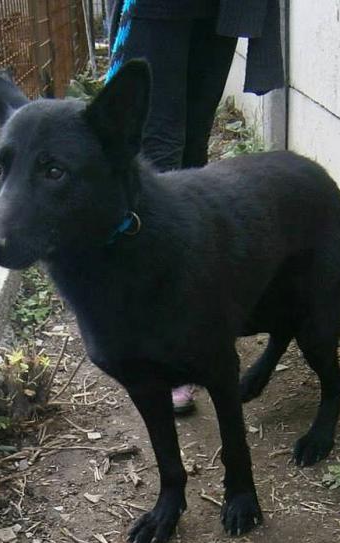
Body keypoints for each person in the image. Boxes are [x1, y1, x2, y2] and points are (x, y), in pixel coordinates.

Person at [106, 0, 284, 412]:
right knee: (159, 146)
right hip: (158, 7)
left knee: (193, 143)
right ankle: (159, 334)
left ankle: (188, 318)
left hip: (221, 7)